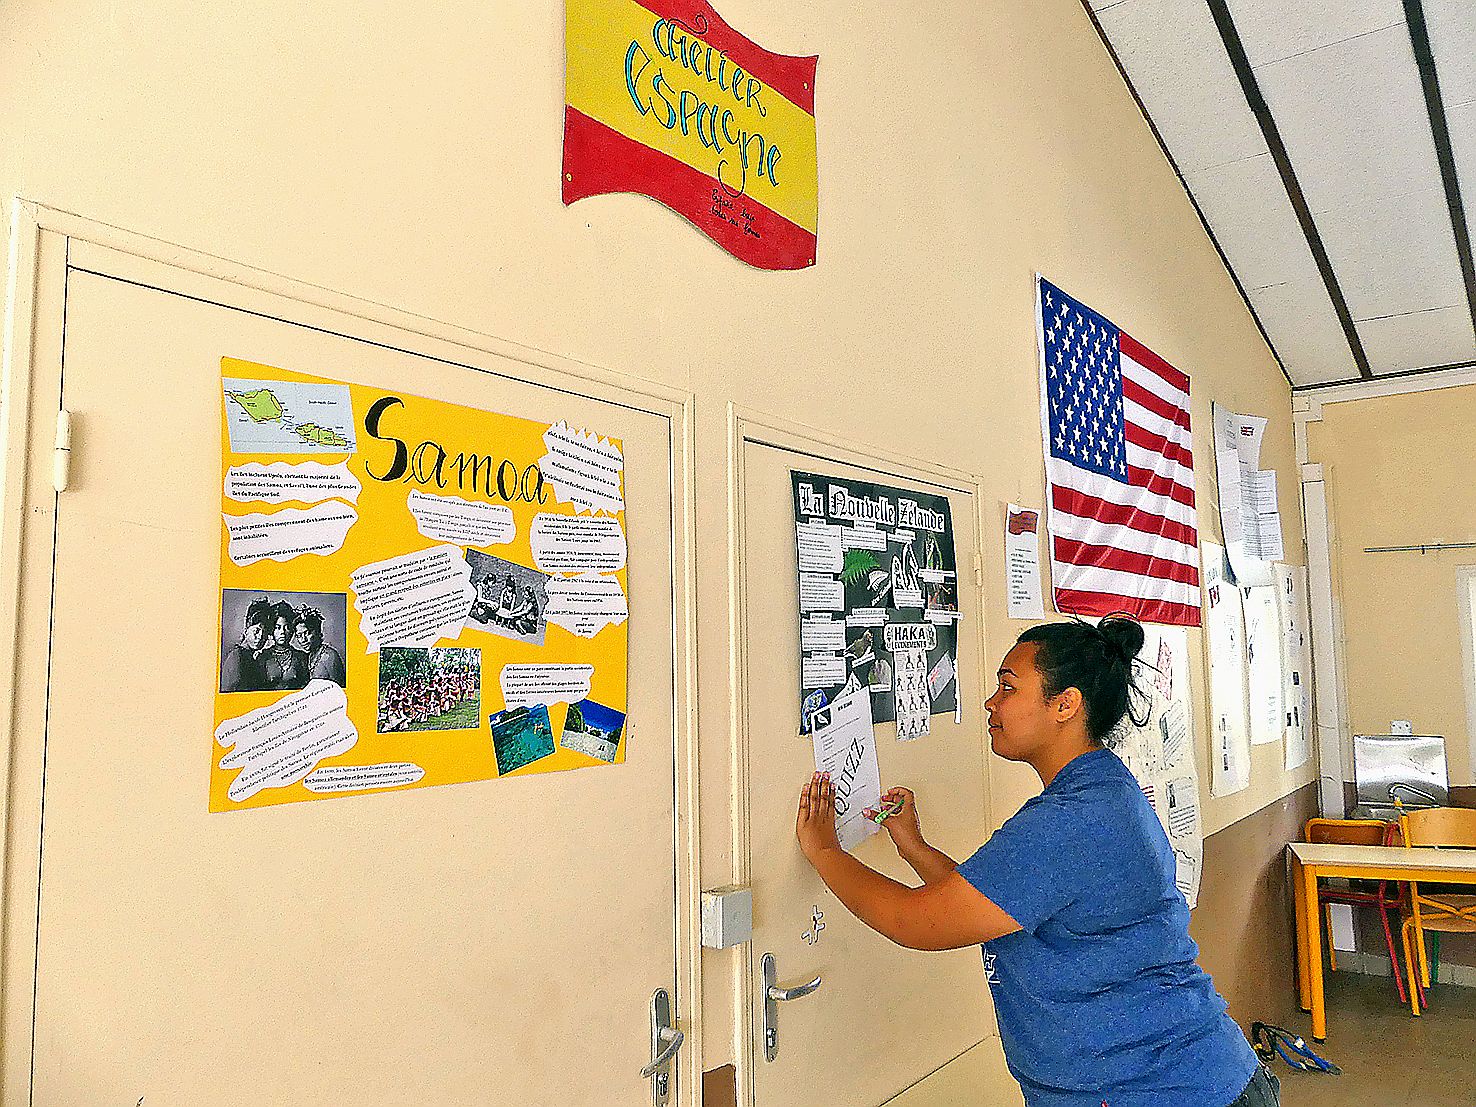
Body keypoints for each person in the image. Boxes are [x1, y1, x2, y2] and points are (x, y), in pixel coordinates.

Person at [794, 616, 1280, 1107]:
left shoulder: (1076, 821)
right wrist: (913, 846)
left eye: (1009, 687)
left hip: (1164, 1089)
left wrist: (824, 851)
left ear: (1065, 705)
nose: (991, 702)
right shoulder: (1099, 792)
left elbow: (916, 922)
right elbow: (993, 908)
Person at [220, 597, 273, 692]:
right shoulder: (237, 656)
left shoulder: (253, 657)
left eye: (265, 633)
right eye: (256, 631)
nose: (260, 637)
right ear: (246, 631)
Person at [259, 601, 308, 691]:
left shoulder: (301, 657)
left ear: (292, 631)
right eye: (278, 628)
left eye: (287, 627)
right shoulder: (263, 657)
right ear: (271, 630)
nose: (282, 632)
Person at [294, 605, 346, 686]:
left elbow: (340, 688)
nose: (303, 639)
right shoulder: (308, 656)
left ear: (317, 632)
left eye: (307, 633)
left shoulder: (329, 656)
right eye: (299, 635)